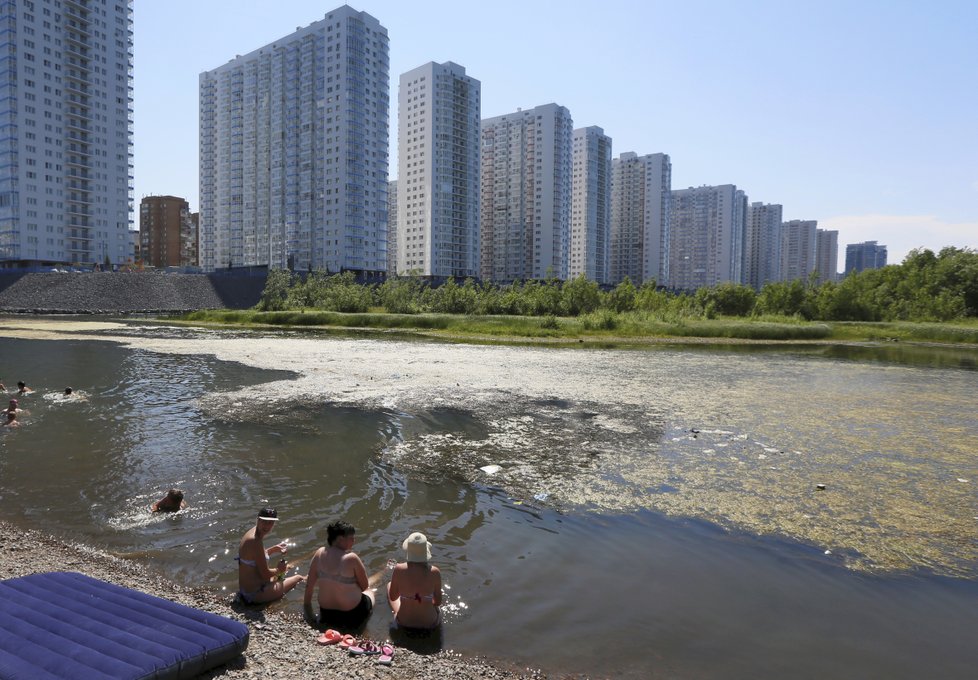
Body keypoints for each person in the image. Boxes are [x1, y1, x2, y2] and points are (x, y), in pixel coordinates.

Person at [303, 520, 382, 629]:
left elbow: (309, 586)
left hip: (326, 614)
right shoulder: (351, 558)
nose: (354, 541)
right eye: (351, 538)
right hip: (351, 615)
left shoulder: (319, 553)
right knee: (371, 591)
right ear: (340, 539)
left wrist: (308, 612)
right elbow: (364, 587)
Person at [236, 507, 305, 604]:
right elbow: (265, 574)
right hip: (255, 594)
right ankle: (305, 596)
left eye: (271, 523)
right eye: (264, 521)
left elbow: (255, 557)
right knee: (298, 578)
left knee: (289, 567)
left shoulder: (252, 533)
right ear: (258, 520)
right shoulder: (255, 541)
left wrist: (273, 549)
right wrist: (279, 570)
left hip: (248, 589)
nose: (267, 526)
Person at [387, 532, 443, 630]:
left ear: (408, 550)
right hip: (430, 623)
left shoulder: (399, 569)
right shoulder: (435, 572)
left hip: (403, 622)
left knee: (389, 585)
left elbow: (393, 597)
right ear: (426, 551)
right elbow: (437, 602)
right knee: (433, 600)